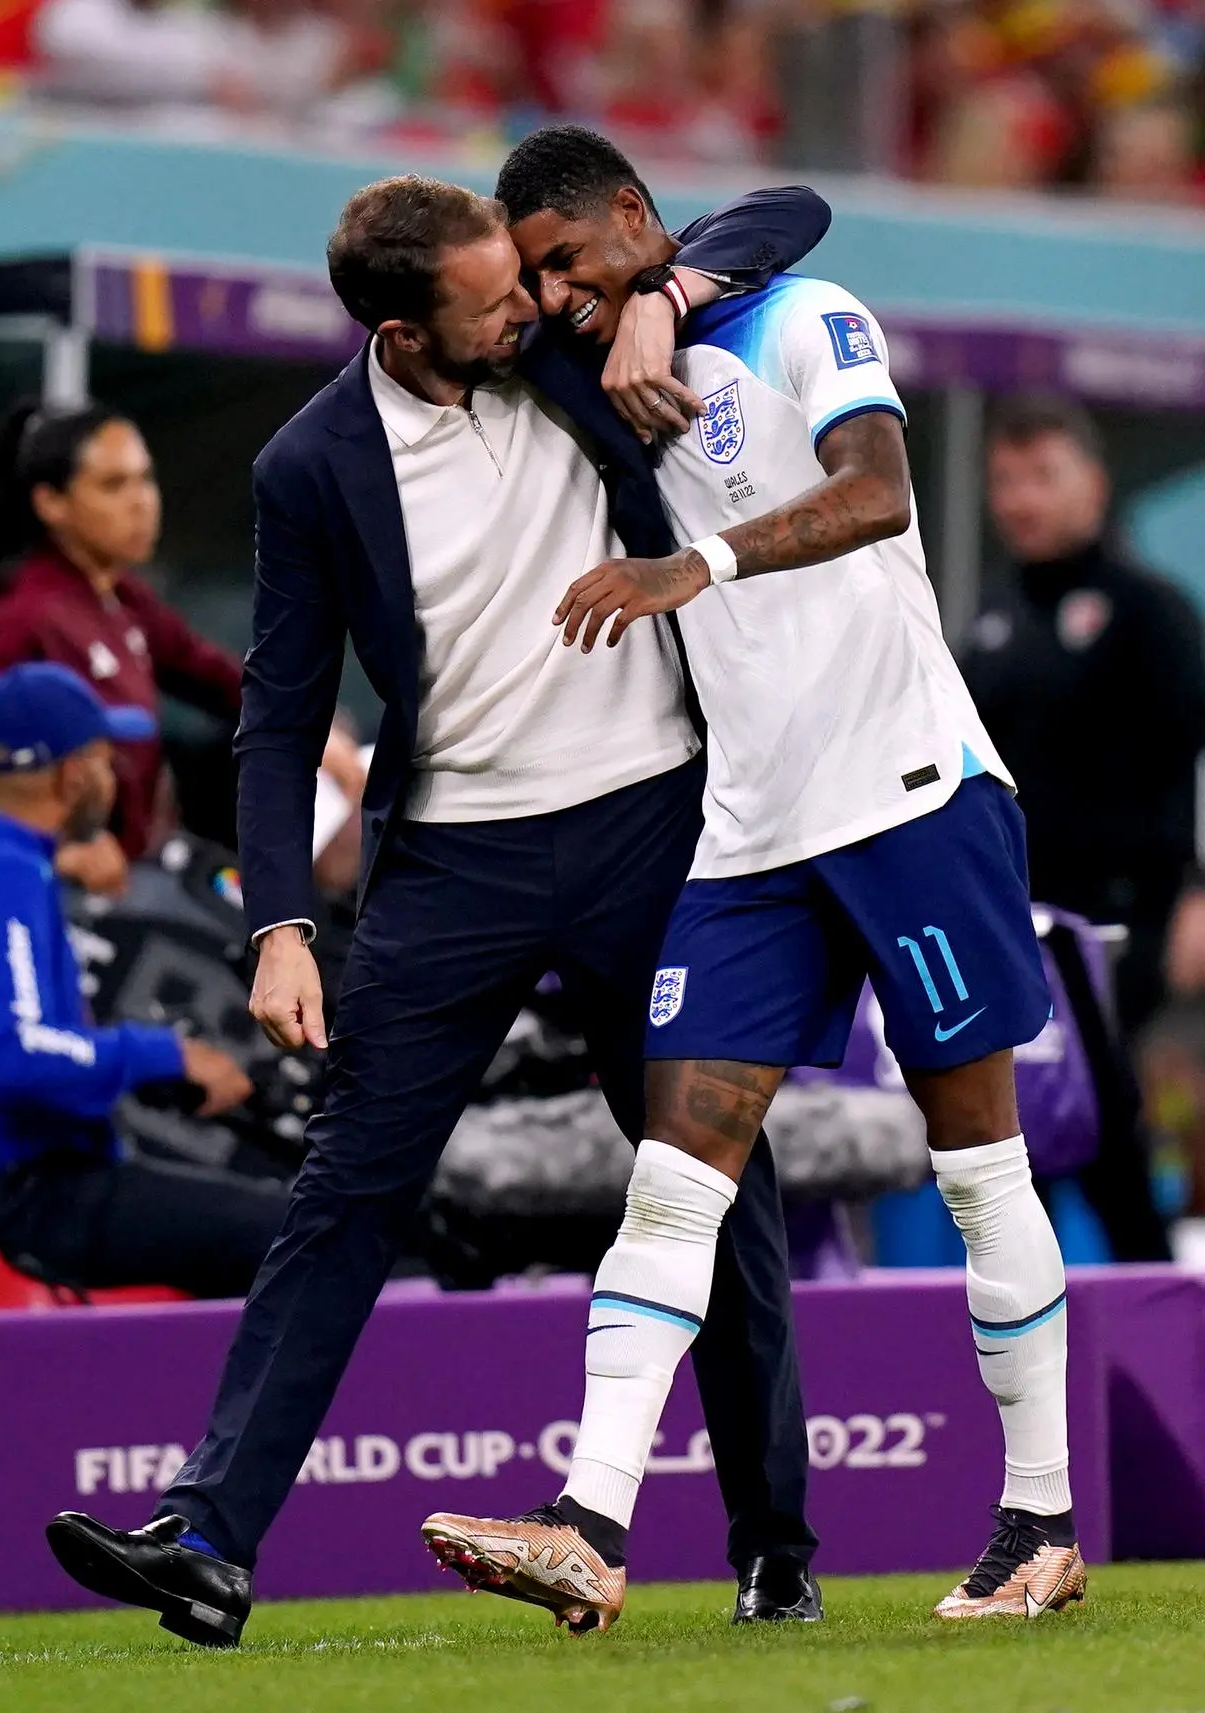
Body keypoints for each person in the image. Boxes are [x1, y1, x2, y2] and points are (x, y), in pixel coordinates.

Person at [43, 173, 835, 1647]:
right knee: (344, 1187)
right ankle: (211, 1540)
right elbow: (277, 721)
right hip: (450, 866)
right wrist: (280, 924)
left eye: (529, 286)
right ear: (406, 333)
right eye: (495, 300)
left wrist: (657, 301)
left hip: (650, 825)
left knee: (710, 1185)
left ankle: (774, 1547)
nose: (534, 308)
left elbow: (787, 209)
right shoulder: (311, 464)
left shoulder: (571, 343)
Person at [421, 124, 1084, 1631]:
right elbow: (500, 310)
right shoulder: (595, 374)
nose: (559, 298)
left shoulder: (806, 312)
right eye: (536, 280)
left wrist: (691, 556)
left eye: (573, 263)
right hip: (753, 828)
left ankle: (1039, 1516)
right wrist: (635, 302)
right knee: (670, 1179)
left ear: (637, 220)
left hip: (910, 788)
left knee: (979, 1167)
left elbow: (876, 494)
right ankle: (590, 1521)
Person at [0, 661, 288, 1297]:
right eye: (102, 758)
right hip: (14, 1192)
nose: (113, 777)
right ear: (72, 775)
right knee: (291, 1234)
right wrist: (163, 1053)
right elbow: (17, 1051)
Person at [963, 394, 1205, 1040]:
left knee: (1110, 1119)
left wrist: (1198, 895)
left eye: (1043, 476)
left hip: (1126, 921)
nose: (1020, 500)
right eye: (1006, 481)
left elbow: (1197, 753)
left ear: (1093, 484)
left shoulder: (1152, 612)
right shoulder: (991, 614)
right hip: (1013, 917)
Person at [0, 402, 242, 893]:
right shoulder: (21, 617)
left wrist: (313, 728)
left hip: (144, 869)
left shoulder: (121, 596)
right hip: (68, 894)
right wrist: (50, 848)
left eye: (145, 480)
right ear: (51, 502)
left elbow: (215, 674)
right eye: (114, 485)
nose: (142, 503)